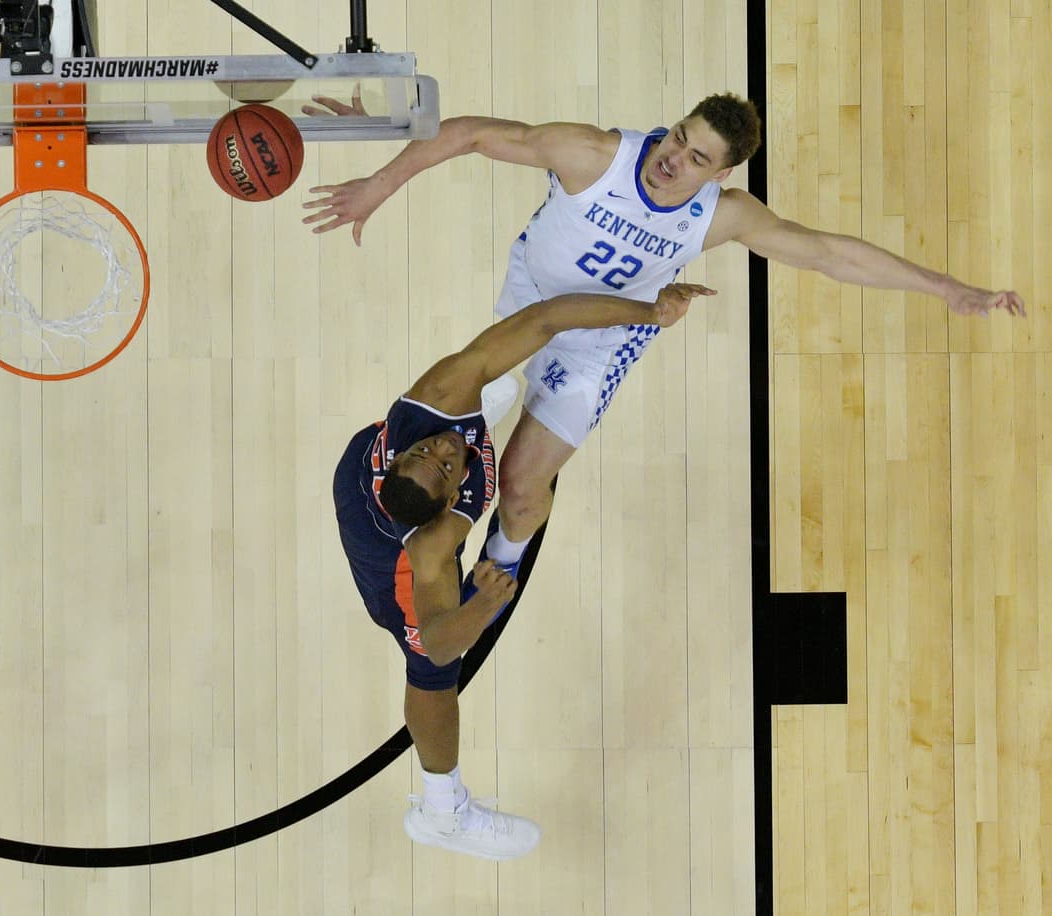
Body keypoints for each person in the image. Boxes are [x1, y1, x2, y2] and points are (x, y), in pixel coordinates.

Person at [307, 91, 1027, 581]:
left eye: (696, 158)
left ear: (722, 175)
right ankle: (409, 537)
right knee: (450, 424)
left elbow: (830, 253)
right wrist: (379, 181)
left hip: (601, 339)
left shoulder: (723, 216)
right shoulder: (596, 155)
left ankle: (501, 572)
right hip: (527, 305)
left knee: (524, 489)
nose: (673, 157)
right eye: (680, 136)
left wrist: (944, 288)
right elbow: (470, 134)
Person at [334, 282, 714, 860]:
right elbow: (439, 646)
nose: (439, 448)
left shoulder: (435, 399)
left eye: (428, 453)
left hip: (371, 463)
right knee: (431, 671)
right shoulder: (430, 549)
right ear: (451, 503)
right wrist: (481, 604)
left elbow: (544, 319)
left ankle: (502, 545)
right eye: (442, 464)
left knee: (491, 398)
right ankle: (443, 811)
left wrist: (651, 313)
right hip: (381, 542)